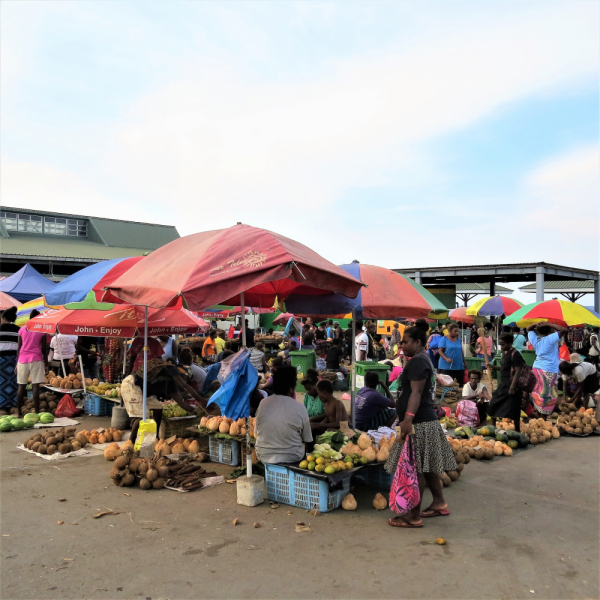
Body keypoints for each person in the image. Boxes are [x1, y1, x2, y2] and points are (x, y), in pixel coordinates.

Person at [388, 326, 457, 528]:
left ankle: (413, 515)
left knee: (415, 468)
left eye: (405, 341)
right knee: (427, 466)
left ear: (417, 342)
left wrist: (408, 418)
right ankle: (439, 502)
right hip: (425, 419)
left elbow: (416, 393)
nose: (402, 345)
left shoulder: (418, 361)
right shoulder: (421, 358)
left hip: (419, 421)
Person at [121, 357, 207, 443]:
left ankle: (156, 436)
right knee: (141, 416)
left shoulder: (171, 385)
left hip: (143, 390)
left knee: (158, 409)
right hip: (131, 384)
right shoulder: (171, 369)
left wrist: (196, 411)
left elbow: (182, 403)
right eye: (184, 377)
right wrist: (202, 400)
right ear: (179, 374)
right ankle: (130, 442)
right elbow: (185, 386)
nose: (184, 380)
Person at [254, 365, 313, 464]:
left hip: (263, 455)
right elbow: (308, 439)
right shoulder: (299, 407)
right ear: (291, 389)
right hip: (292, 457)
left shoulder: (263, 403)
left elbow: (256, 431)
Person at [488, 333, 525, 431]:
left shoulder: (515, 354)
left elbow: (518, 371)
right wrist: (494, 367)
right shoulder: (504, 353)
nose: (501, 346)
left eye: (503, 344)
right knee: (493, 405)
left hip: (512, 385)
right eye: (500, 344)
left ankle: (517, 431)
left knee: (514, 408)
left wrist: (512, 387)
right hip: (504, 383)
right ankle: (493, 428)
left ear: (510, 343)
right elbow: (506, 368)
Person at [527, 322, 566, 417]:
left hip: (537, 368)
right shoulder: (550, 338)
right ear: (550, 330)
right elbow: (564, 330)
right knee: (548, 395)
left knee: (539, 392)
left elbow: (528, 329)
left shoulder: (535, 339)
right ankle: (543, 418)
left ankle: (538, 414)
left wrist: (536, 324)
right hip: (548, 370)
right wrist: (550, 324)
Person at [16, 310, 48, 415]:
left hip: (22, 359)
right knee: (35, 386)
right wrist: (46, 363)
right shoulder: (42, 331)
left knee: (21, 386)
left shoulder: (21, 330)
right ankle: (37, 412)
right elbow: (44, 349)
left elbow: (19, 348)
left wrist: (17, 363)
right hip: (36, 359)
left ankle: (19, 412)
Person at [0, 306, 20, 410]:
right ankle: (12, 403)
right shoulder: (19, 330)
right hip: (14, 359)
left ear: (4, 318)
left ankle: (1, 404)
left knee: (1, 381)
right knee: (13, 381)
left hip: (1, 359)